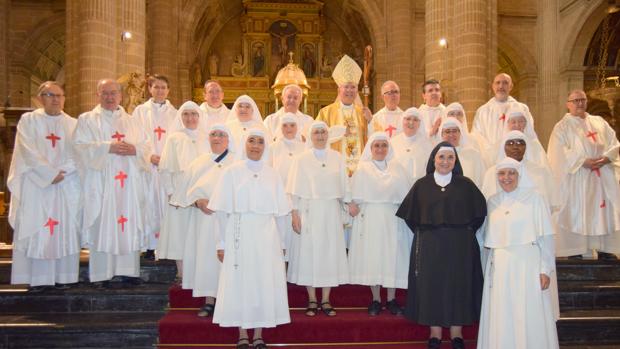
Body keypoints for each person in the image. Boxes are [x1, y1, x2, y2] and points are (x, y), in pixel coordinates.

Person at [396, 141, 486, 349]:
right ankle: (434, 332)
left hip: (460, 246)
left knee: (459, 285)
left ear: (455, 161)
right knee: (431, 286)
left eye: (450, 158)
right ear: (433, 160)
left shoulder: (466, 184)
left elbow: (479, 214)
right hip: (430, 245)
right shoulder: (421, 185)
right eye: (441, 157)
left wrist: (461, 232)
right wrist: (428, 232)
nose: (445, 161)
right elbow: (411, 217)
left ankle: (457, 333)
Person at [209, 129, 291, 349]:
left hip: (267, 236)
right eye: (251, 141)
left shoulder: (273, 174)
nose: (255, 145)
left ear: (265, 146)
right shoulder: (231, 172)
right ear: (244, 144)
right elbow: (221, 212)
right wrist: (221, 243)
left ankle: (259, 333)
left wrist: (282, 244)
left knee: (263, 282)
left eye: (260, 142)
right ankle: (243, 332)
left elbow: (281, 215)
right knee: (241, 282)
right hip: (239, 234)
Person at [73, 79, 151, 287]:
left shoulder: (132, 121)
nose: (109, 97)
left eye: (113, 93)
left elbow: (146, 147)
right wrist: (108, 147)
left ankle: (128, 272)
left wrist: (135, 150)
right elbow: (79, 147)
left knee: (128, 222)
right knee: (103, 223)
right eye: (105, 93)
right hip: (102, 184)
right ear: (97, 95)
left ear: (121, 96)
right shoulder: (87, 119)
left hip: (128, 186)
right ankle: (102, 273)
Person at [477, 157, 559, 349]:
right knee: (502, 313)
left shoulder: (535, 198)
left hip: (528, 265)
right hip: (499, 267)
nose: (506, 178)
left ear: (520, 175)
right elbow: (485, 237)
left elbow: (546, 237)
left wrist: (545, 269)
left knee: (529, 312)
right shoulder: (492, 202)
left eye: (511, 173)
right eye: (502, 173)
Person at [9, 81, 81, 291]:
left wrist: (62, 172)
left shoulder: (73, 124)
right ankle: (39, 279)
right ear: (40, 98)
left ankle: (65, 277)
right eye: (50, 95)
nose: (55, 99)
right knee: (38, 227)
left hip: (65, 185)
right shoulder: (29, 121)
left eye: (59, 95)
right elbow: (27, 151)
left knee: (64, 228)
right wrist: (49, 174)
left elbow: (78, 153)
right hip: (37, 184)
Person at [169, 124, 235, 318]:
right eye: (213, 134)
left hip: (228, 219)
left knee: (229, 260)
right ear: (208, 138)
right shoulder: (198, 163)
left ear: (228, 139)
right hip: (204, 219)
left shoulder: (237, 162)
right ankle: (209, 300)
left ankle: (229, 300)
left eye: (221, 134)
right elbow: (185, 192)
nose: (217, 137)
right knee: (207, 258)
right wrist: (198, 201)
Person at [547, 90, 620, 260]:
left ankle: (605, 249)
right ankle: (577, 250)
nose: (579, 103)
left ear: (586, 102)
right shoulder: (562, 126)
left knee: (604, 212)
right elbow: (559, 151)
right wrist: (582, 161)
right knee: (578, 212)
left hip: (602, 176)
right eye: (575, 100)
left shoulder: (599, 122)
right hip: (578, 177)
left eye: (582, 100)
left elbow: (614, 142)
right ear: (568, 104)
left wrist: (607, 157)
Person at [286, 121, 349, 317]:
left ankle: (326, 299)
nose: (320, 136)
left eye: (323, 132)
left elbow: (344, 186)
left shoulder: (337, 157)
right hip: (309, 210)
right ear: (310, 136)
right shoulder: (301, 159)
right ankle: (312, 298)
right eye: (316, 132)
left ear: (328, 135)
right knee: (309, 254)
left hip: (330, 211)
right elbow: (293, 189)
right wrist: (294, 213)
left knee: (329, 253)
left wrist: (346, 208)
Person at [347, 132, 411, 316]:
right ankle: (375, 299)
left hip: (393, 218)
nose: (381, 149)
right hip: (371, 218)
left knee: (392, 257)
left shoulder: (398, 168)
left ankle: (391, 299)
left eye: (384, 145)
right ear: (370, 148)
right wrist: (352, 205)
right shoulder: (363, 169)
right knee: (373, 257)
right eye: (377, 145)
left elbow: (406, 196)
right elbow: (353, 196)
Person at [157, 101, 210, 286]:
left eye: (194, 114)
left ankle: (200, 273)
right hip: (180, 192)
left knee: (199, 233)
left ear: (199, 116)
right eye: (186, 114)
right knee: (180, 233)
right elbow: (165, 168)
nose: (190, 118)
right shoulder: (174, 138)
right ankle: (181, 273)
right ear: (181, 117)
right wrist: (171, 192)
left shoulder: (207, 137)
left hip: (202, 191)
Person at [132, 74, 177, 260]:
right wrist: (148, 156)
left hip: (167, 167)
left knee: (167, 206)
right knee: (148, 204)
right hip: (147, 167)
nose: (160, 90)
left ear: (168, 90)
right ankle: (149, 246)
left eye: (163, 87)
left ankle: (166, 248)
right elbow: (135, 137)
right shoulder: (140, 112)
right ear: (150, 89)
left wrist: (166, 158)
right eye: (156, 87)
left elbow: (178, 140)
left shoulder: (175, 113)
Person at [316, 54, 374, 176]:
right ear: (339, 90)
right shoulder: (326, 113)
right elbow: (317, 137)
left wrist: (370, 122)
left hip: (360, 171)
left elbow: (375, 139)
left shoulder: (363, 113)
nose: (349, 90)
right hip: (335, 169)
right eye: (346, 87)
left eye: (353, 87)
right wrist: (340, 132)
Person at [482, 130, 558, 210]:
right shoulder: (491, 173)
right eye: (510, 143)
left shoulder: (540, 172)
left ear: (526, 147)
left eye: (520, 143)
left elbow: (548, 205)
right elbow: (487, 205)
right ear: (503, 146)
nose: (515, 147)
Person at [472, 73, 535, 159]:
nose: (501, 86)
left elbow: (529, 133)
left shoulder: (522, 109)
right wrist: (492, 153)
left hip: (517, 157)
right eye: (498, 83)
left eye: (505, 83)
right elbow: (477, 136)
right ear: (493, 86)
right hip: (489, 159)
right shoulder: (482, 111)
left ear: (511, 86)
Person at [269, 113, 305, 261]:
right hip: (278, 197)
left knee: (297, 236)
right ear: (280, 127)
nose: (288, 128)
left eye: (292, 125)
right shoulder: (272, 147)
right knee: (280, 237)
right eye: (285, 125)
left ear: (298, 127)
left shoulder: (304, 147)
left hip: (299, 198)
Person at [390, 107, 433, 186]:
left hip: (420, 187)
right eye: (408, 119)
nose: (411, 122)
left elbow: (430, 168)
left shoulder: (427, 144)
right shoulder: (393, 142)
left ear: (420, 123)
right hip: (397, 187)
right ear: (402, 121)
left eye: (415, 120)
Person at [439, 118, 486, 187]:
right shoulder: (437, 155)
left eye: (454, 131)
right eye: (447, 131)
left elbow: (481, 180)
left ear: (460, 133)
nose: (451, 135)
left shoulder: (473, 154)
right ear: (442, 134)